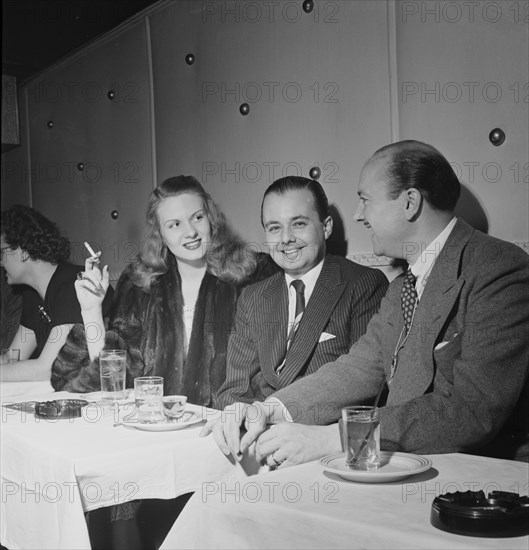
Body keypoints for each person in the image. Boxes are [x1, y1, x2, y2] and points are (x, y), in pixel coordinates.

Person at [204, 140, 529, 467]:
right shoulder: (404, 285)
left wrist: (334, 437)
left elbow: (472, 410)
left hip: (480, 479)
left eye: (365, 200)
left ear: (410, 203)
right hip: (405, 464)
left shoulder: (498, 269)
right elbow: (360, 367)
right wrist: (269, 408)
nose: (358, 215)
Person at [52, 175, 277, 402]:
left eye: (198, 217)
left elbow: (271, 368)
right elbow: (117, 376)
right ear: (160, 233)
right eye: (175, 224)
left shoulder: (253, 274)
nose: (190, 232)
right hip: (160, 424)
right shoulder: (139, 286)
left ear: (211, 218)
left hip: (227, 425)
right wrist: (91, 310)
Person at [214, 176, 388, 409]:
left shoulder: (363, 284)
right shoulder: (253, 297)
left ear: (326, 227)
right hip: (261, 433)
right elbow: (235, 391)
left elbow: (363, 388)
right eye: (274, 228)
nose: (286, 238)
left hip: (319, 435)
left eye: (298, 224)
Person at [0, 205, 113, 381]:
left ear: (21, 251)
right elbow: (13, 357)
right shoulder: (32, 295)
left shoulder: (73, 285)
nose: (1, 262)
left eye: (2, 252)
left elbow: (48, 369)